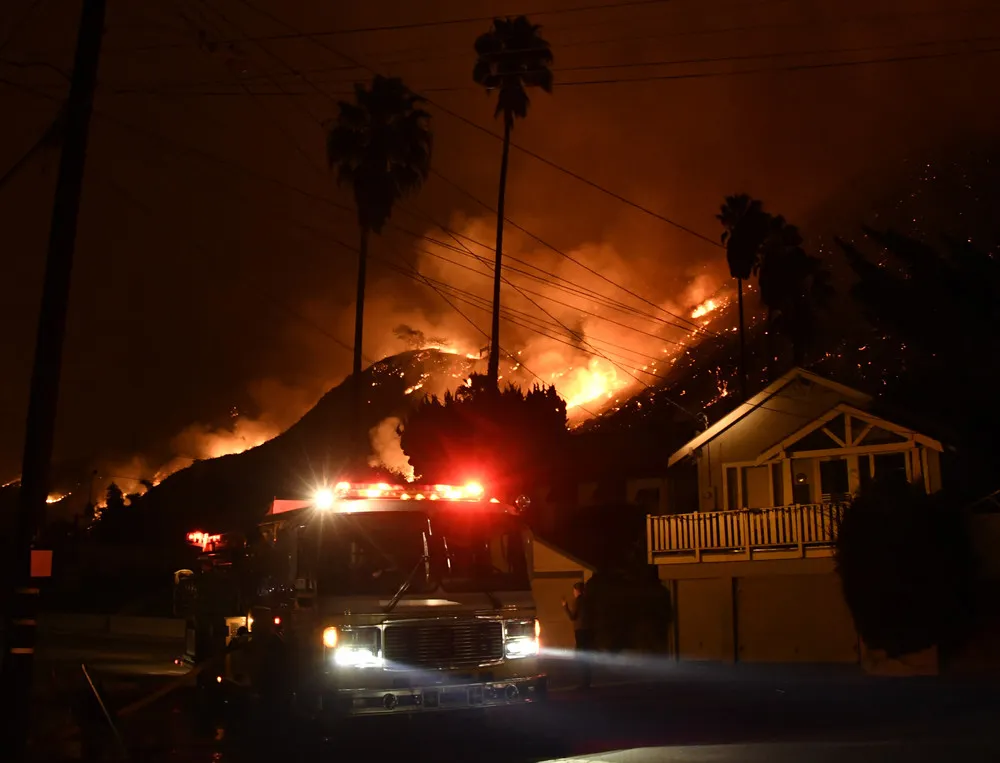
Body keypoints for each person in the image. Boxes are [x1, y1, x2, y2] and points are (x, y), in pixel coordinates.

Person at [561, 580, 595, 689]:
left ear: (577, 590)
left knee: (581, 655)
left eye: (574, 591)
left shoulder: (578, 601)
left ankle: (584, 682)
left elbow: (573, 617)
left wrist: (565, 606)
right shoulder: (588, 601)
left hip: (580, 631)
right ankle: (587, 681)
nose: (573, 593)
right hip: (588, 630)